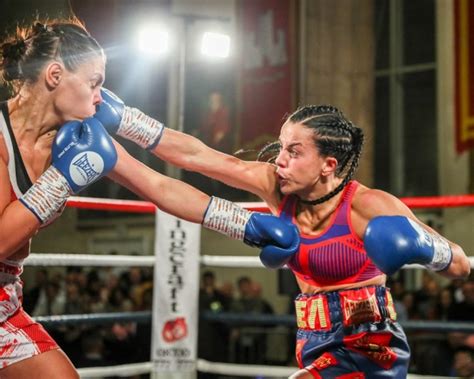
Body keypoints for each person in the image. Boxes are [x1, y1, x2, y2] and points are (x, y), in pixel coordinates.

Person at [0, 19, 300, 378]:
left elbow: (160, 186)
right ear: (54, 75)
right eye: (94, 83)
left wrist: (243, 224)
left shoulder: (79, 135)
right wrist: (62, 178)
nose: (100, 96)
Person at [96, 91, 471, 378]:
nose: (280, 159)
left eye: (294, 151)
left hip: (370, 345)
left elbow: (458, 264)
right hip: (311, 340)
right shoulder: (277, 186)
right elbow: (198, 156)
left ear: (328, 165)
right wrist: (126, 120)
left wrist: (424, 246)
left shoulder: (370, 206)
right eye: (281, 146)